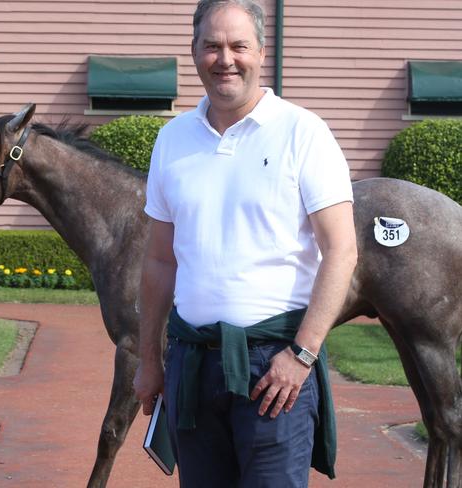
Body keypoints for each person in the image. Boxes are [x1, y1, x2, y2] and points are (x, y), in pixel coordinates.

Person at [133, 1, 358, 487]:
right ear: (194, 52)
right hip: (192, 364)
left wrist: (302, 355)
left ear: (261, 51)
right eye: (212, 46)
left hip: (273, 369)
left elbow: (342, 251)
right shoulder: (173, 140)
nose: (225, 59)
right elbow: (158, 260)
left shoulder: (304, 133)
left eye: (238, 46)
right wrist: (151, 360)